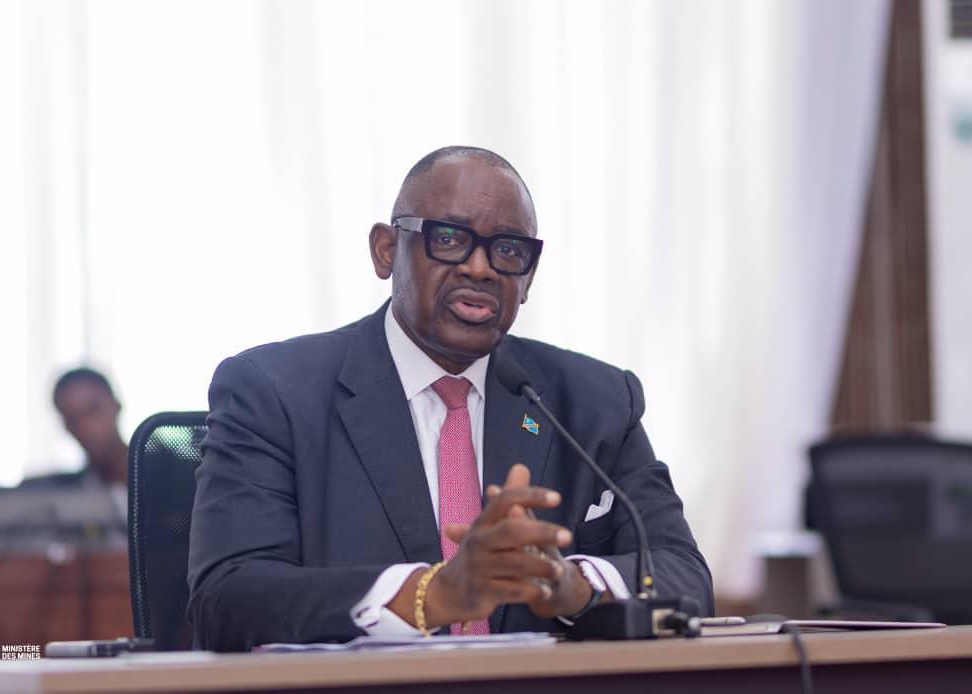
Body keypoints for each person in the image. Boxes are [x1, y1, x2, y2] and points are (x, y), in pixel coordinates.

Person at [188, 146, 713, 651]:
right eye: (449, 238)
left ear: (528, 277)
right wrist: (434, 594)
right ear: (386, 250)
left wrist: (571, 586)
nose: (480, 268)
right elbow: (228, 599)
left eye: (508, 250)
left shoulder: (595, 402)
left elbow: (684, 577)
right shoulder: (274, 392)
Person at [22, 367, 128, 495]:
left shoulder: (152, 474)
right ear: (66, 427)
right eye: (72, 419)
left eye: (92, 411)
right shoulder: (61, 494)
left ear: (116, 406)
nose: (85, 427)